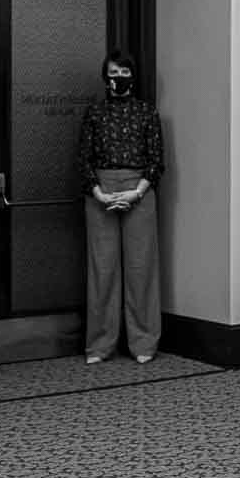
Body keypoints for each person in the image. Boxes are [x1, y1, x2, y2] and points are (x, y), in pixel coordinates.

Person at [75, 49, 164, 365]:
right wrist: (99, 194)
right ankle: (99, 345)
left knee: (141, 268)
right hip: (101, 190)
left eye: (124, 72)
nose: (119, 79)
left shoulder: (146, 112)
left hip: (139, 189)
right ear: (104, 77)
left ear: (133, 76)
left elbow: (156, 161)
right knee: (103, 270)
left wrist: (136, 192)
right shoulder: (95, 112)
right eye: (113, 73)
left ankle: (143, 342)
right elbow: (82, 159)